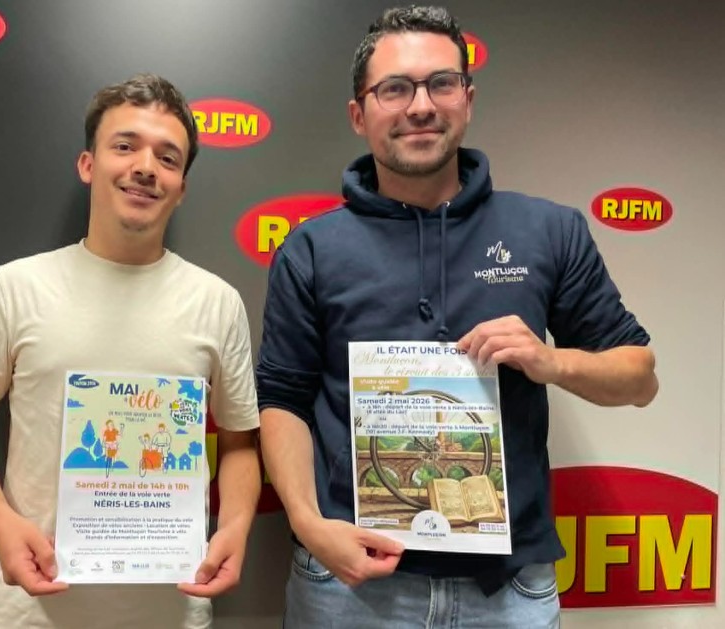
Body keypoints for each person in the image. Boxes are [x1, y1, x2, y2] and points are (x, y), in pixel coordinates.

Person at [256, 6, 658, 628]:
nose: (420, 106)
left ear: (467, 100)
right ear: (360, 114)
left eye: (440, 83)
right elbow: (282, 400)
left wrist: (551, 361)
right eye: (395, 89)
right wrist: (309, 525)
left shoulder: (548, 230)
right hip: (349, 585)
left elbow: (639, 377)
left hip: (508, 591)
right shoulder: (310, 249)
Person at [0, 74, 261, 629]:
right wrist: (0, 521)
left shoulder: (218, 303)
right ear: (89, 165)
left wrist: (234, 527)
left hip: (173, 613)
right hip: (35, 613)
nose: (145, 167)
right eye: (125, 146)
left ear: (181, 187)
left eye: (167, 157)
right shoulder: (16, 288)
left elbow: (238, 444)